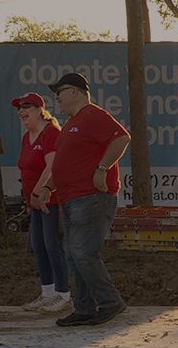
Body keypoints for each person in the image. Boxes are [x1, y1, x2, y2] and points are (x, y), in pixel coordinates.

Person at [33, 71, 129, 328]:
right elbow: (65, 163)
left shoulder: (93, 115)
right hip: (72, 198)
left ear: (75, 91)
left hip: (91, 197)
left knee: (82, 251)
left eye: (60, 93)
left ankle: (110, 302)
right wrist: (46, 187)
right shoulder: (71, 126)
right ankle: (84, 308)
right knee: (74, 255)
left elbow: (121, 138)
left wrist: (102, 168)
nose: (57, 99)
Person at [10, 93, 71, 315]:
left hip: (49, 199)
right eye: (19, 107)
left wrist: (38, 192)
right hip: (33, 202)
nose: (21, 111)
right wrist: (29, 200)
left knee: (52, 244)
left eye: (26, 106)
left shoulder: (51, 133)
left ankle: (63, 294)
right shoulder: (28, 137)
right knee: (39, 245)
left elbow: (52, 166)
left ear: (39, 109)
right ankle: (47, 293)